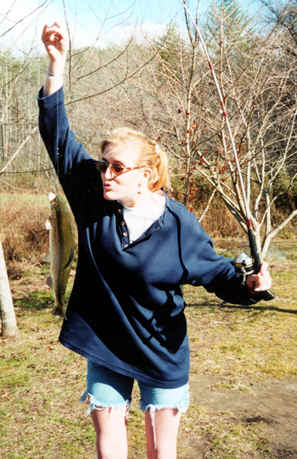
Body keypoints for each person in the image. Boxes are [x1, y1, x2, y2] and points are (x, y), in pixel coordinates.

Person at [38, 23, 272, 459]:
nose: (106, 174)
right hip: (105, 342)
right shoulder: (94, 199)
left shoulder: (178, 224)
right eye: (104, 165)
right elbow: (57, 138)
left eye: (117, 168)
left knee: (160, 450)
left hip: (160, 348)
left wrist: (250, 287)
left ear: (146, 175)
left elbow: (216, 271)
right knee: (109, 442)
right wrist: (57, 65)